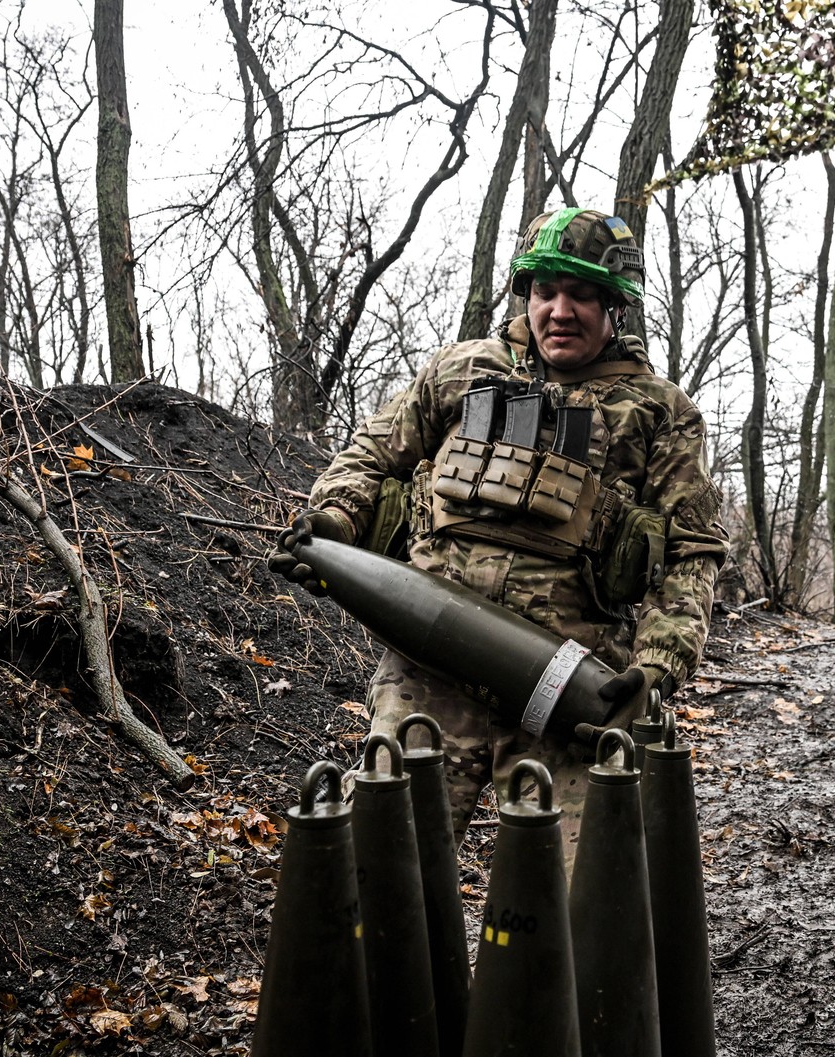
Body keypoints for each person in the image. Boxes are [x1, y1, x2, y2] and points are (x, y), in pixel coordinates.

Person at [270, 207, 726, 860]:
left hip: (570, 684)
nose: (560, 310)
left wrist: (659, 664)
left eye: (581, 293)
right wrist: (334, 520)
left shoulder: (659, 413)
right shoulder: (463, 372)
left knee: (575, 904)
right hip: (429, 672)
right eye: (545, 290)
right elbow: (373, 454)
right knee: (388, 875)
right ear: (527, 294)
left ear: (616, 306)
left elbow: (692, 548)